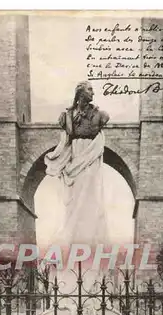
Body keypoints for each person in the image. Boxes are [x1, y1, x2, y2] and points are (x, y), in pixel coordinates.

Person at [44, 81, 110, 248]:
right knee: (75, 199)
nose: (93, 93)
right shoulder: (66, 116)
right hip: (75, 157)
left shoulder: (100, 115)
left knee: (91, 195)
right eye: (90, 90)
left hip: (90, 156)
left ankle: (90, 237)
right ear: (80, 93)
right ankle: (72, 238)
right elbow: (68, 137)